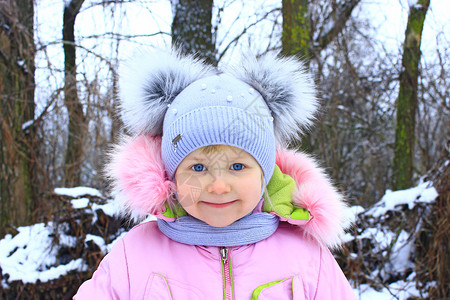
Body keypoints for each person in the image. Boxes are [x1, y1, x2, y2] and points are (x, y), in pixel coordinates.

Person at [74, 48, 356, 299]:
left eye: (237, 167)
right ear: (171, 176)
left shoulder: (306, 256)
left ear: (265, 173)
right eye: (198, 168)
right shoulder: (135, 256)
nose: (218, 186)